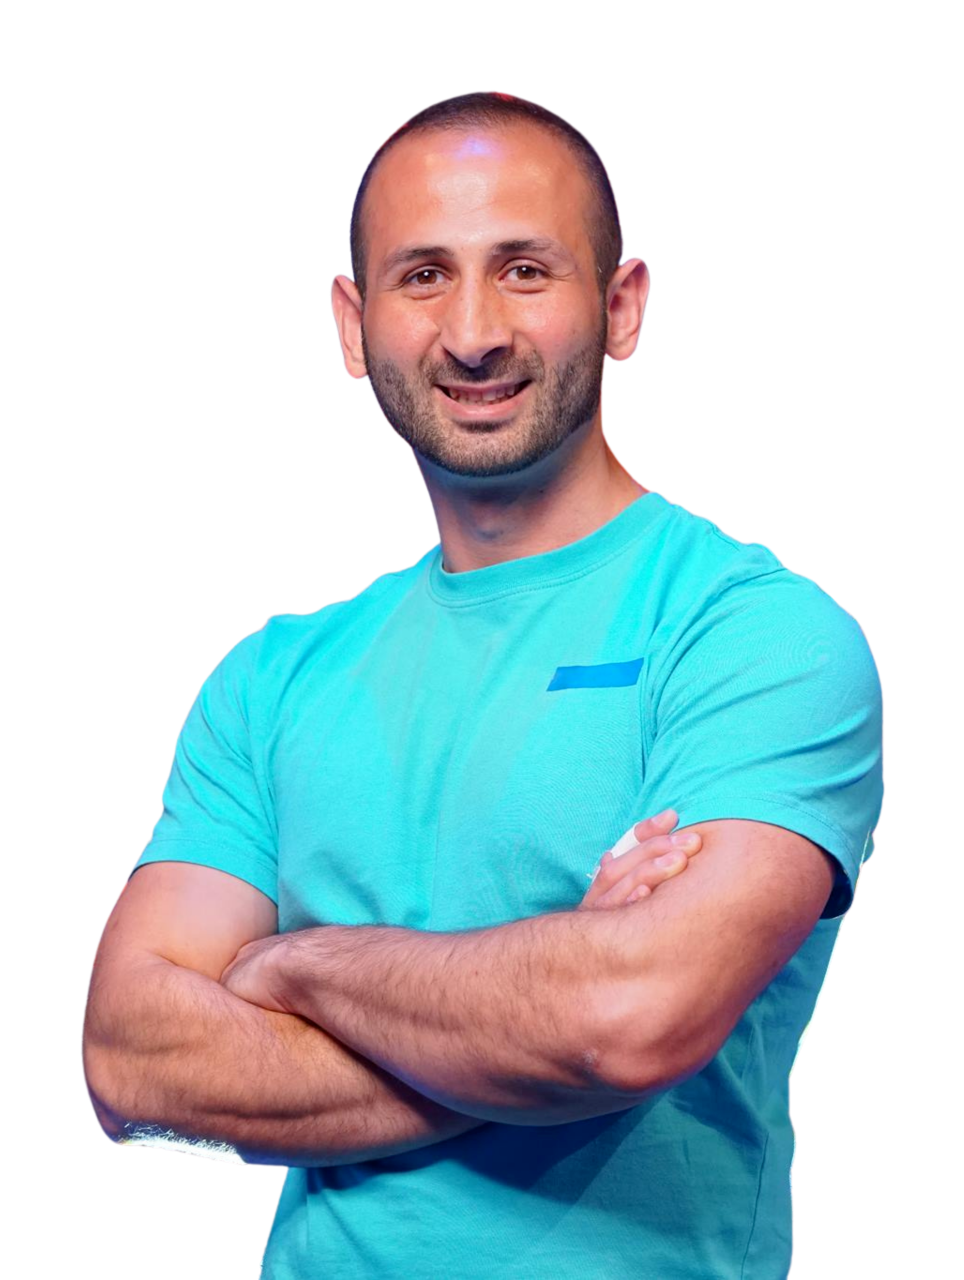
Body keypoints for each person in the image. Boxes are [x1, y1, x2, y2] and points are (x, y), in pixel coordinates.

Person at [115, 92, 884, 1277]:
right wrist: (545, 1004)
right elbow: (132, 1059)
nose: (472, 332)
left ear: (620, 306)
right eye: (423, 276)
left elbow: (627, 1022)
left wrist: (296, 967)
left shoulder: (752, 632)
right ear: (353, 324)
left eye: (524, 270)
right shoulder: (272, 675)